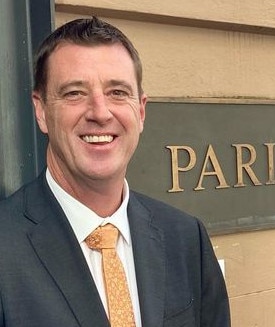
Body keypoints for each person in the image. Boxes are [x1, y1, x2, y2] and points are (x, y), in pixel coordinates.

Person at [0, 16, 230, 326]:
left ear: (141, 110)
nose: (100, 112)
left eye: (117, 92)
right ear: (41, 111)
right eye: (74, 93)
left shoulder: (186, 238)